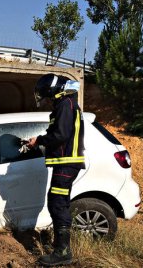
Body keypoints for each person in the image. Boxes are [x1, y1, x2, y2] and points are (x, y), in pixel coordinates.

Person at [27, 74, 85, 267]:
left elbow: (60, 135)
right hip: (64, 163)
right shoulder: (66, 104)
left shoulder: (65, 105)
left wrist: (40, 141)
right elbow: (57, 133)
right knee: (59, 203)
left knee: (57, 204)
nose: (48, 100)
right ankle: (60, 247)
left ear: (53, 91)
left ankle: (63, 252)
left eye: (47, 96)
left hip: (66, 163)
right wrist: (39, 140)